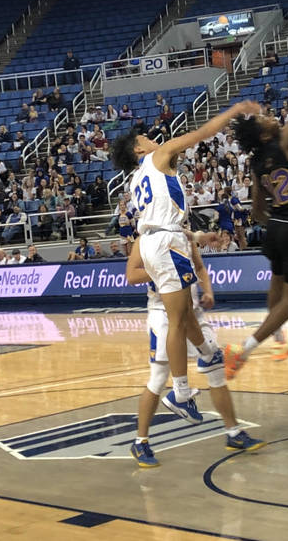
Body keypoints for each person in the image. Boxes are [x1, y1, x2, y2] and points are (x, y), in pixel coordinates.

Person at [111, 97, 259, 414]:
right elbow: (202, 133)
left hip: (160, 240)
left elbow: (160, 215)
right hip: (166, 243)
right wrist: (234, 111)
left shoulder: (137, 177)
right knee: (178, 321)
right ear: (139, 150)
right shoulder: (158, 157)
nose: (153, 140)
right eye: (145, 139)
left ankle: (207, 354)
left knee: (186, 313)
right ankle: (179, 391)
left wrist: (195, 236)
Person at [223, 24, 288, 379]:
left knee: (276, 287)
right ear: (265, 132)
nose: (272, 116)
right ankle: (243, 350)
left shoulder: (254, 161)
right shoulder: (286, 143)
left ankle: (279, 342)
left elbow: (257, 210)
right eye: (266, 117)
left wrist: (275, 224)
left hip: (276, 229)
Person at [125, 232, 264, 467]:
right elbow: (131, 275)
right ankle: (141, 442)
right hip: (163, 312)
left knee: (216, 369)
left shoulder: (183, 236)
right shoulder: (143, 240)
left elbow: (199, 268)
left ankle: (234, 433)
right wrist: (165, 268)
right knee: (158, 378)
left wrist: (208, 290)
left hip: (194, 312)